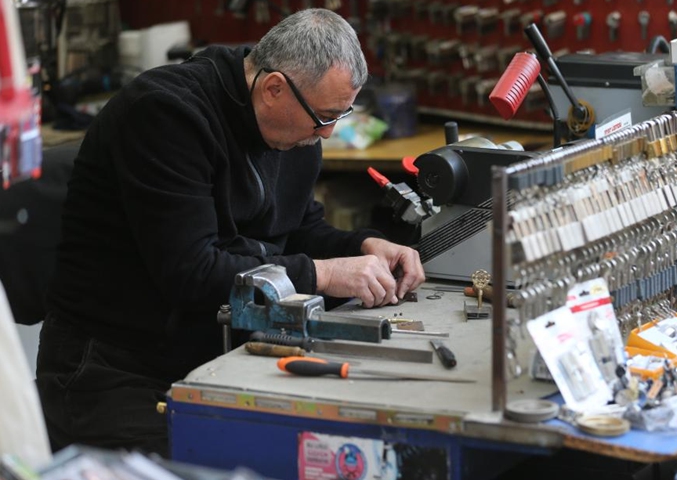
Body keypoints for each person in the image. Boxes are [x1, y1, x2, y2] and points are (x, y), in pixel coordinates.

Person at [36, 8, 425, 458]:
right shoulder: (165, 115)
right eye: (323, 116)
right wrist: (322, 274)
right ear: (273, 87)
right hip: (113, 367)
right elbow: (193, 271)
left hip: (212, 356)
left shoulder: (292, 129)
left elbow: (299, 229)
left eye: (340, 114)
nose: (330, 131)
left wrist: (362, 245)